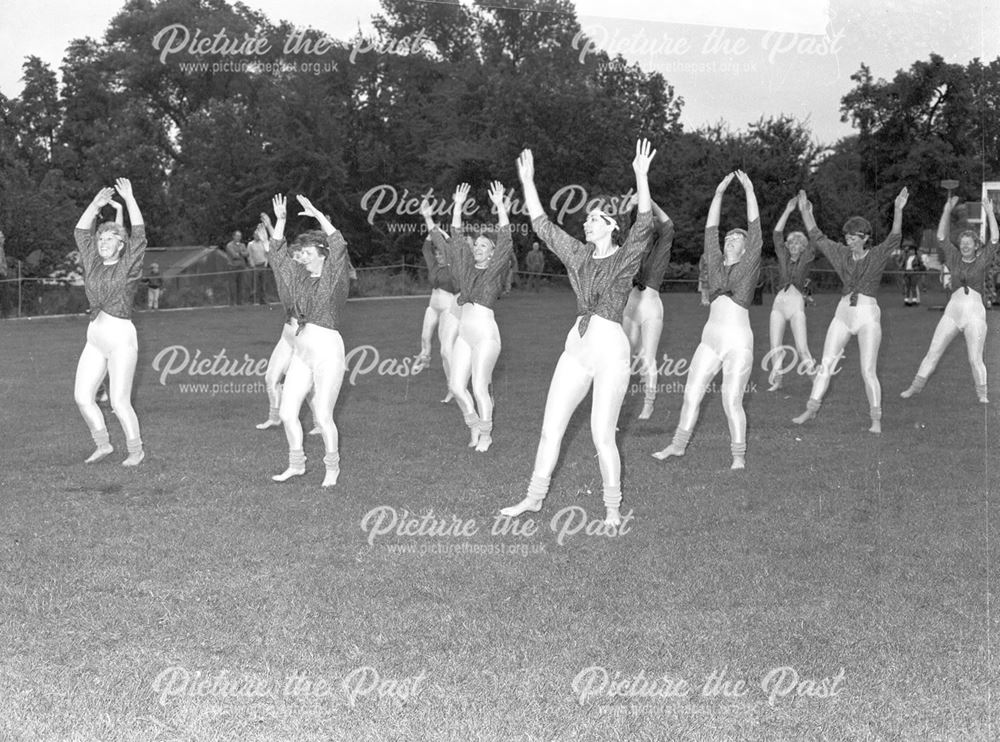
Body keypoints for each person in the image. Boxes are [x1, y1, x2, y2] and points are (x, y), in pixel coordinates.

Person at [500, 140, 656, 527]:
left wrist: (640, 177)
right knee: (550, 429)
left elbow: (645, 225)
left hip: (611, 353)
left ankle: (612, 509)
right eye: (585, 219)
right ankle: (533, 499)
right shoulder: (578, 255)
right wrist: (528, 182)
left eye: (595, 219)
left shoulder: (624, 258)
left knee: (602, 435)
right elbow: (543, 226)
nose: (586, 223)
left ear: (612, 226)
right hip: (576, 347)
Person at [652, 170, 760, 470]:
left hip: (738, 344)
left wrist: (749, 190)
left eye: (737, 238)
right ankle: (677, 445)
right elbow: (711, 229)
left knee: (731, 401)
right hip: (709, 341)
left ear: (747, 247)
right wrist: (718, 193)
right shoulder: (713, 262)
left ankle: (738, 455)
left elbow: (755, 225)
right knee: (691, 394)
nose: (731, 239)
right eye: (729, 237)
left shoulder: (750, 264)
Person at [792, 187, 908, 433]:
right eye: (847, 235)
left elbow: (894, 238)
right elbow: (817, 236)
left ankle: (875, 419)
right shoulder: (841, 254)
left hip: (867, 316)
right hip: (843, 314)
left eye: (854, 236)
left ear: (866, 237)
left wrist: (898, 210)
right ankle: (810, 410)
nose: (849, 239)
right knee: (826, 365)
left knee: (868, 370)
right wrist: (805, 212)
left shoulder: (876, 256)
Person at [421, 181, 513, 452]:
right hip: (465, 334)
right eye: (478, 245)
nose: (479, 248)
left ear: (492, 251)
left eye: (484, 246)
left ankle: (486, 435)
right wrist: (456, 207)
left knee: (479, 386)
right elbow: (453, 237)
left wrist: (500, 209)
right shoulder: (465, 269)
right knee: (456, 386)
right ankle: (474, 425)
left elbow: (506, 238)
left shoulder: (495, 270)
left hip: (486, 335)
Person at [266, 194, 351, 487]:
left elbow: (339, 243)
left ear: (322, 253)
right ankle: (296, 464)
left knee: (324, 415)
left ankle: (332, 467)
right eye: (299, 252)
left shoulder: (335, 278)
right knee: (288, 412)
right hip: (302, 351)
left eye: (306, 251)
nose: (301, 255)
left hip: (329, 350)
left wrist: (317, 214)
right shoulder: (299, 278)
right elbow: (276, 255)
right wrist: (280, 221)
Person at [73, 179, 147, 466]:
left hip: (121, 338)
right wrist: (95, 205)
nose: (103, 242)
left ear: (120, 244)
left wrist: (129, 199)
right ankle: (103, 444)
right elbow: (81, 232)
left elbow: (139, 234)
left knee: (118, 402)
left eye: (109, 239)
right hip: (95, 337)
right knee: (82, 397)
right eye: (101, 238)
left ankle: (135, 450)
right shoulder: (92, 262)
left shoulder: (128, 265)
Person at [901, 195, 998, 403]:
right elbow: (942, 237)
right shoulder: (953, 257)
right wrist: (946, 210)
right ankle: (915, 387)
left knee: (975, 358)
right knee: (933, 351)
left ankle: (982, 395)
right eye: (962, 243)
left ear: (975, 245)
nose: (964, 246)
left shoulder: (983, 260)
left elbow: (995, 239)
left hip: (974, 315)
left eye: (968, 243)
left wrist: (989, 212)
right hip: (953, 313)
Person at [621, 197, 674, 420]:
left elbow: (669, 226)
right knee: (623, 354)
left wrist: (650, 201)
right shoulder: (632, 248)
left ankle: (648, 403)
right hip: (631, 304)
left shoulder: (660, 250)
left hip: (651, 305)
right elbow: (622, 225)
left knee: (648, 357)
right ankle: (618, 396)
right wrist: (631, 206)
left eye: (651, 225)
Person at [766, 196, 816, 391]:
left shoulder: (807, 258)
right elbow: (777, 233)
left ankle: (815, 381)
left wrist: (808, 213)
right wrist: (787, 210)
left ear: (803, 247)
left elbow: (815, 237)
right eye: (791, 243)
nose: (794, 246)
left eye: (798, 244)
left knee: (802, 348)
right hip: (779, 303)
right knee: (774, 345)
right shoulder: (783, 256)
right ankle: (778, 381)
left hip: (796, 304)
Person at [414, 229, 461, 403]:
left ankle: (453, 387)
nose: (439, 257)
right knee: (425, 337)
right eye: (437, 254)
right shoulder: (434, 265)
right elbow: (426, 249)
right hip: (433, 306)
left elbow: (453, 248)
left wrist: (443, 233)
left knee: (445, 351)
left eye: (442, 254)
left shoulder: (454, 266)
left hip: (448, 309)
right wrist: (430, 232)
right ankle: (425, 357)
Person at [246, 222, 269, 305]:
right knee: (254, 284)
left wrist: (266, 264)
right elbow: (250, 256)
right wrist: (252, 265)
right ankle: (252, 301)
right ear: (253, 236)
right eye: (256, 235)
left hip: (263, 265)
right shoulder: (250, 244)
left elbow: (267, 254)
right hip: (255, 266)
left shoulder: (264, 243)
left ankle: (263, 300)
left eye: (258, 235)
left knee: (263, 284)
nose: (257, 236)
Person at [224, 229, 248, 304]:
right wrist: (242, 253)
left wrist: (239, 253)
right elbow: (234, 256)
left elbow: (247, 254)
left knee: (241, 286)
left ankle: (240, 302)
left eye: (240, 236)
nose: (239, 237)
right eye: (237, 236)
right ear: (233, 236)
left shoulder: (242, 245)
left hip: (241, 267)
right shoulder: (229, 245)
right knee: (232, 286)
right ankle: (232, 303)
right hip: (232, 268)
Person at [902, 241, 924, 306]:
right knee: (907, 287)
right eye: (910, 250)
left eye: (912, 250)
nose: (911, 252)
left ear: (914, 251)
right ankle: (907, 301)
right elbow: (904, 265)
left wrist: (916, 270)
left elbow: (920, 265)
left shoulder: (917, 258)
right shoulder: (907, 258)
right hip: (907, 273)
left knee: (913, 287)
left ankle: (914, 301)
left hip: (914, 273)